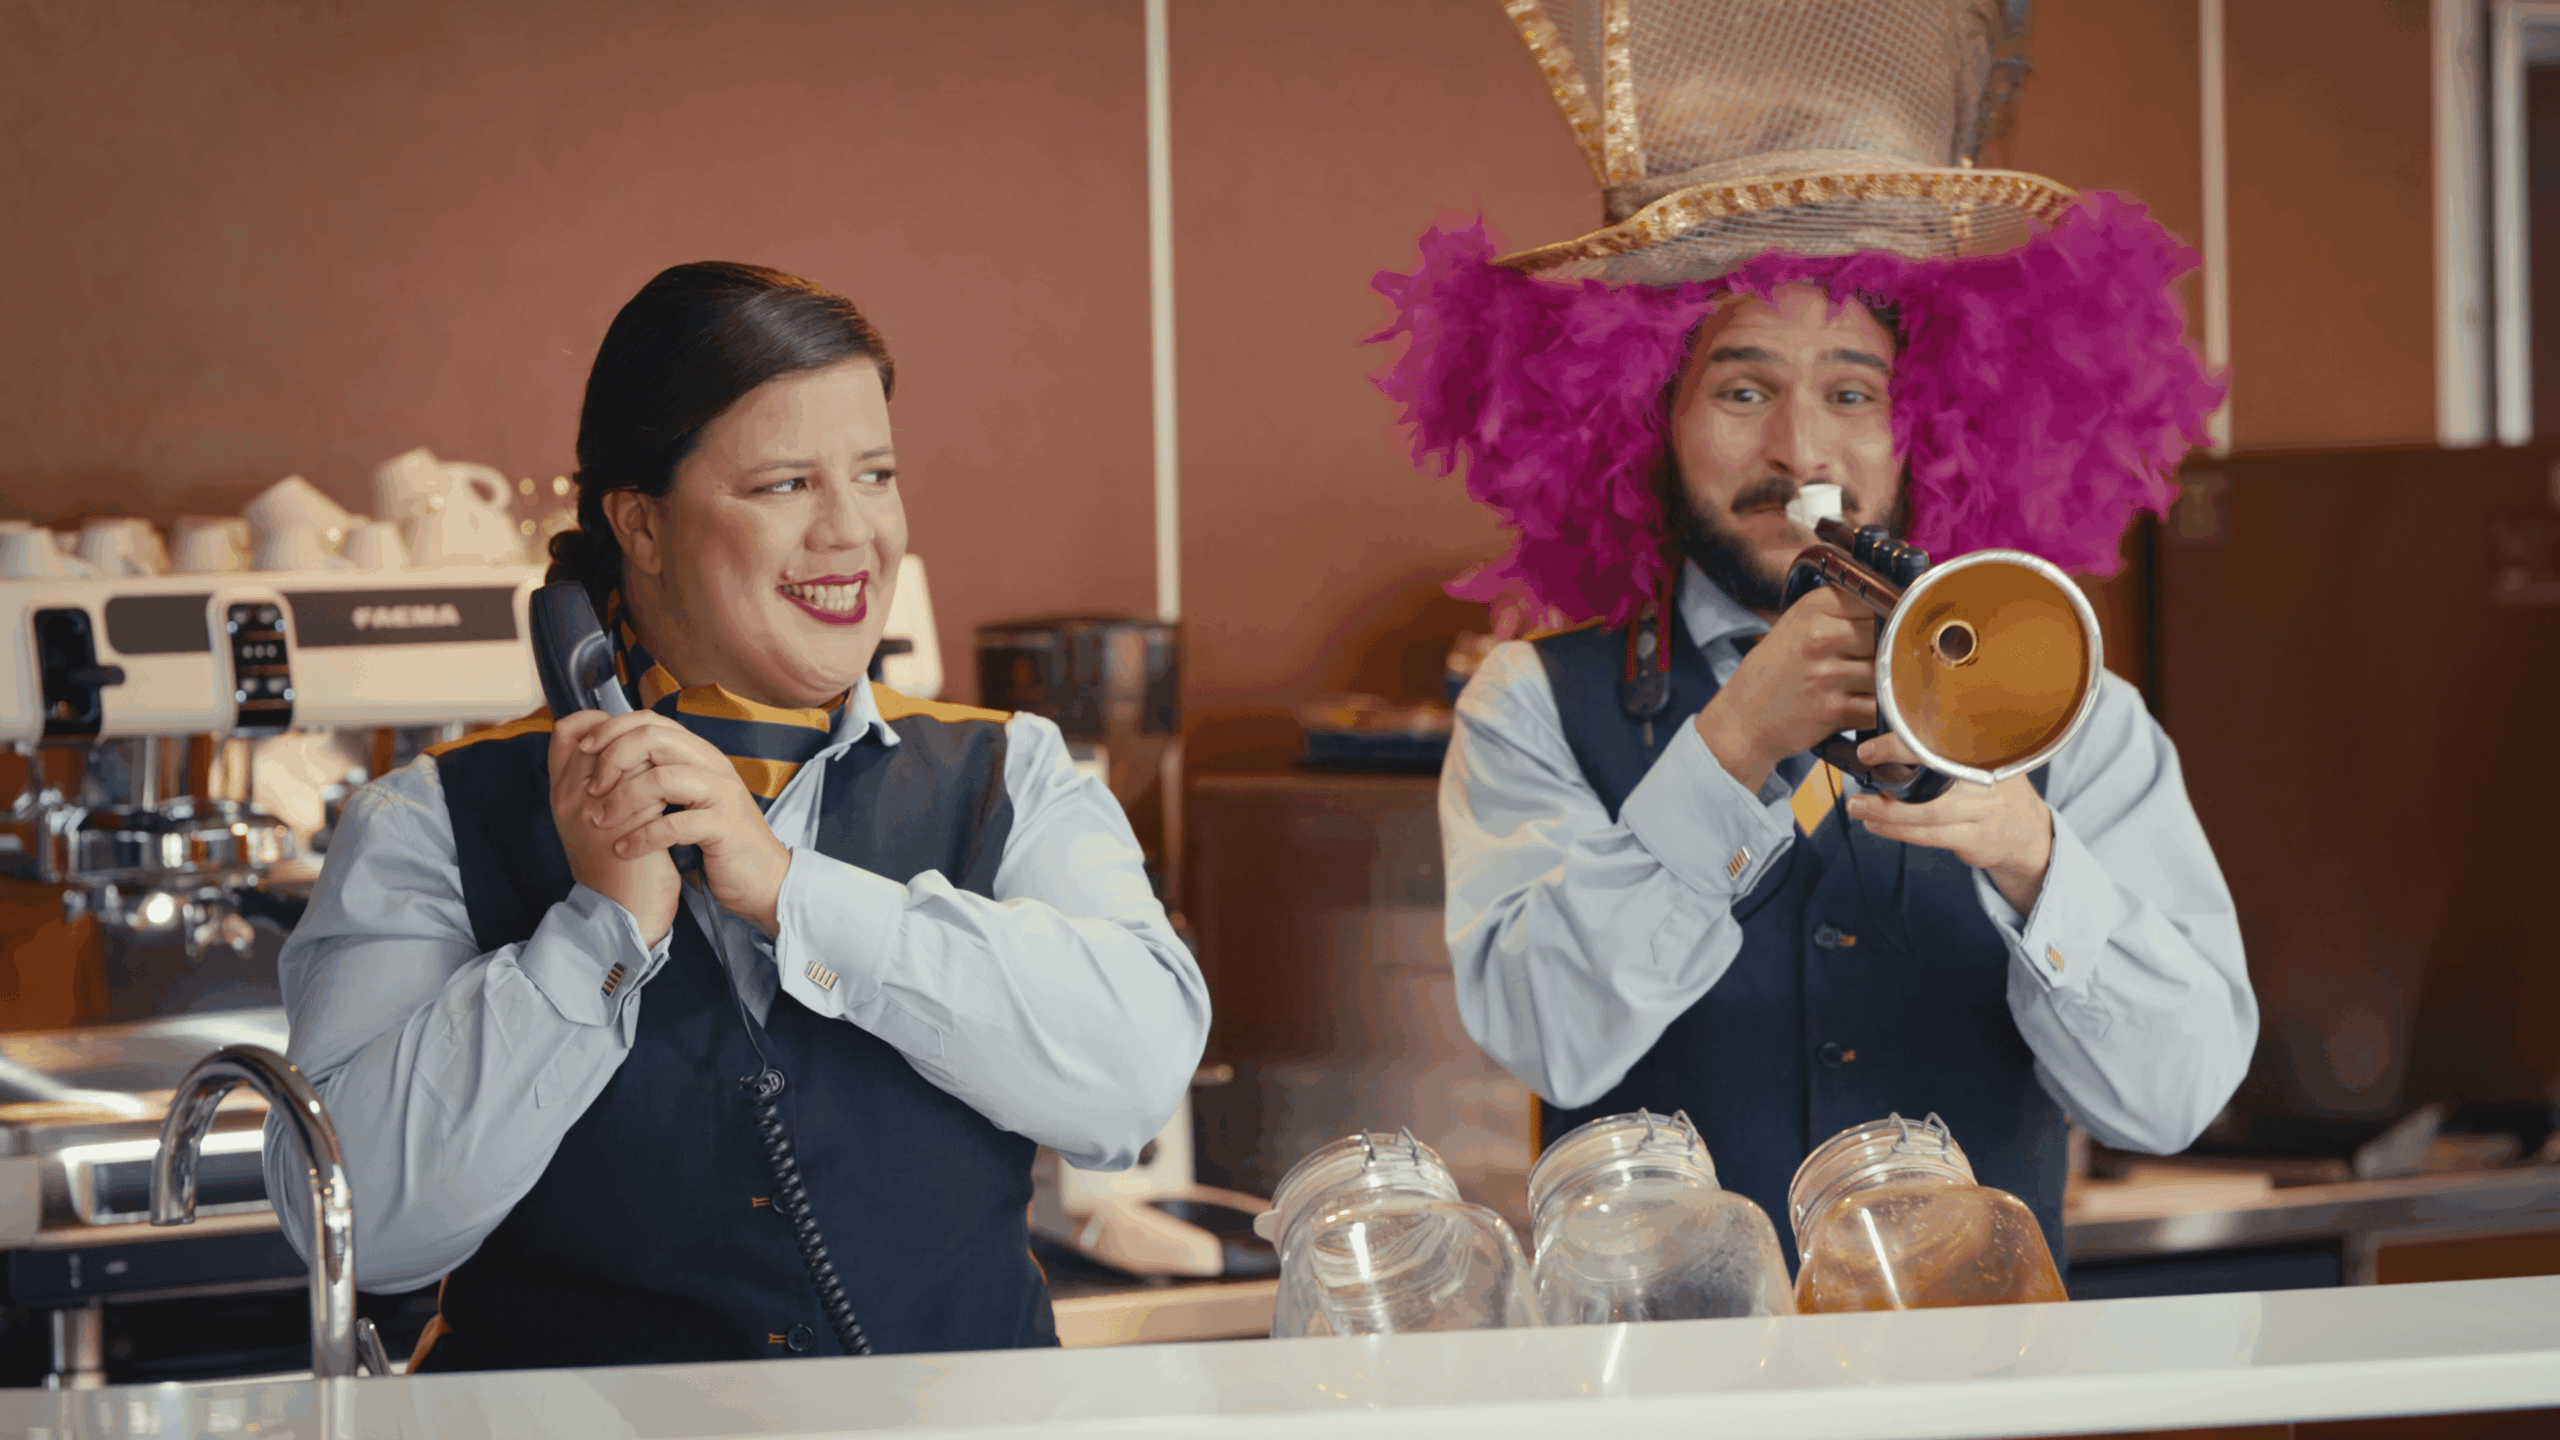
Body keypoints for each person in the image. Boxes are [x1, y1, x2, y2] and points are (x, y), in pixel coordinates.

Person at [1372, 0, 2255, 1264]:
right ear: (1649, 424)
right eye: (1742, 389)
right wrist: (1728, 747)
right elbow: (1548, 1035)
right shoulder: (1528, 702)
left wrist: (2032, 853)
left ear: (1921, 429)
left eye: (1851, 390)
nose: (1798, 449)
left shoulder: (2079, 716)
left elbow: (2172, 1102)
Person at [266, 261, 1209, 1369]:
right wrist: (597, 930)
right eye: (783, 487)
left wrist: (789, 890)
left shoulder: (1014, 772)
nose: (851, 534)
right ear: (642, 527)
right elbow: (360, 1228)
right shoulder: (429, 820)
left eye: (874, 474)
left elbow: (1132, 1081)